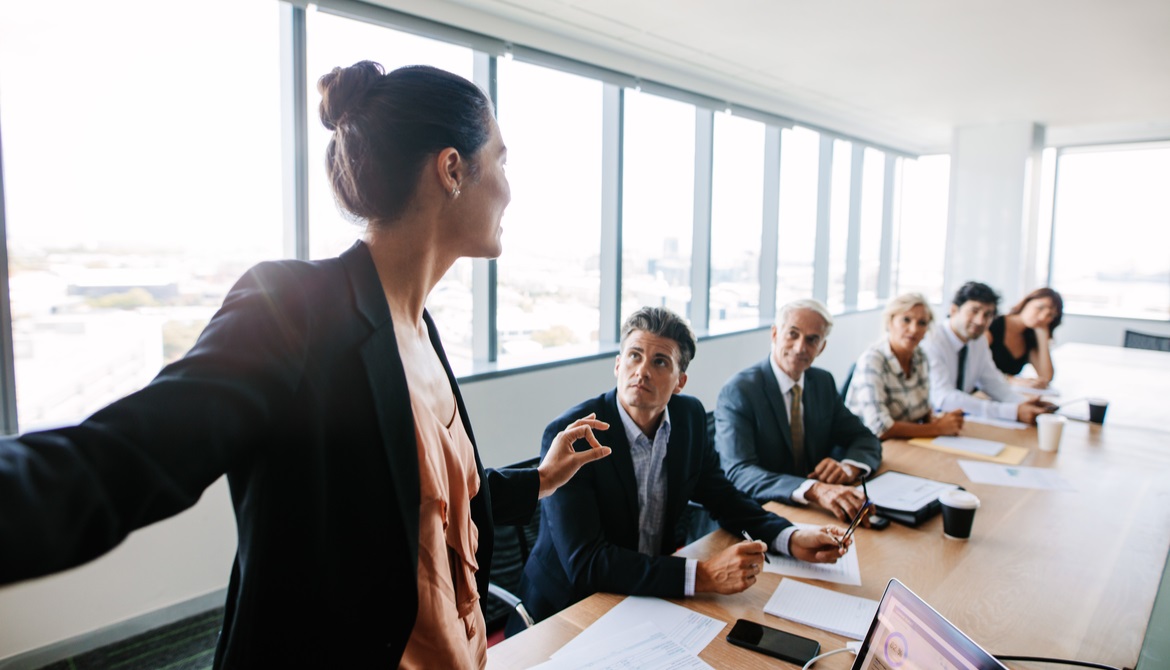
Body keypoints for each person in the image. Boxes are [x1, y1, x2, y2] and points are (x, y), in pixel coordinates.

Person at [0, 63, 611, 668]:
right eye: (502, 160)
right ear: (451, 169)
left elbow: (428, 507)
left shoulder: (423, 330)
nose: (509, 185)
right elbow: (122, 457)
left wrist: (539, 477)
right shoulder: (295, 310)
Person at [514, 307, 848, 626]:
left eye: (660, 361)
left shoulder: (688, 419)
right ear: (617, 365)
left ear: (679, 382)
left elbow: (723, 497)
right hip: (569, 608)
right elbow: (586, 563)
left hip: (651, 594)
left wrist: (790, 536)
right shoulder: (576, 435)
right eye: (634, 356)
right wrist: (702, 575)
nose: (642, 371)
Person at [715, 299, 882, 524]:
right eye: (793, 334)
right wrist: (815, 490)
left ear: (821, 347)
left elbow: (864, 437)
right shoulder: (740, 391)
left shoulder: (822, 382)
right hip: (762, 513)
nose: (800, 347)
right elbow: (740, 472)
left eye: (812, 339)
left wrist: (849, 467)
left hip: (818, 512)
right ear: (774, 334)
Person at [922, 281, 1056, 425]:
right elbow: (944, 399)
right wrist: (1012, 411)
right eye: (974, 311)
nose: (980, 321)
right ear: (954, 310)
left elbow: (993, 382)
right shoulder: (932, 340)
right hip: (928, 422)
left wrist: (1024, 403)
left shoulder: (978, 341)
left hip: (958, 422)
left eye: (988, 314)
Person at [845, 293, 964, 439]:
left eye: (922, 323)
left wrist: (935, 420)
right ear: (890, 322)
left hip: (903, 442)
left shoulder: (920, 355)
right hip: (868, 446)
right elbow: (879, 427)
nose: (914, 329)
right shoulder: (872, 360)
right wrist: (937, 428)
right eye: (906, 320)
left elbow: (922, 409)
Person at [986, 287, 1063, 389]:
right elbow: (976, 367)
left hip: (1004, 393)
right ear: (1027, 302)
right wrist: (1010, 380)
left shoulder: (1029, 337)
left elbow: (1046, 377)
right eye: (1040, 308)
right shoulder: (994, 325)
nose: (1042, 317)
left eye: (1050, 315)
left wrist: (1043, 336)